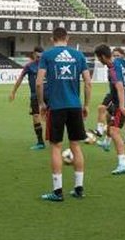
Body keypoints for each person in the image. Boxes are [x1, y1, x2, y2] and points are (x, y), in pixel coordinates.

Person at [36, 27, 92, 201]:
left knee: (56, 146)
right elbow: (88, 83)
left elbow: (39, 83)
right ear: (67, 38)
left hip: (57, 107)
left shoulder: (47, 55)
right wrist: (86, 105)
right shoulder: (79, 55)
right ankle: (79, 188)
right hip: (75, 106)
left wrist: (41, 103)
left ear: (52, 38)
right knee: (76, 146)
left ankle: (57, 191)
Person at [94, 44, 125, 175]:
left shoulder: (113, 69)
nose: (99, 61)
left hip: (122, 101)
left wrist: (121, 106)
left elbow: (120, 87)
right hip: (118, 100)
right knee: (110, 126)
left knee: (114, 131)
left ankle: (123, 164)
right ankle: (106, 143)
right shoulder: (119, 62)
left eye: (99, 58)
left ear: (103, 56)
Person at [9, 45, 46, 150]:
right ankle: (40, 142)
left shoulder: (47, 65)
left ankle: (54, 139)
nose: (39, 59)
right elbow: (20, 79)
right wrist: (13, 92)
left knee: (52, 117)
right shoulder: (29, 66)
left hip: (48, 94)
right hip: (35, 95)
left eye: (41, 57)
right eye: (38, 56)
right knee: (35, 117)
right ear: (34, 54)